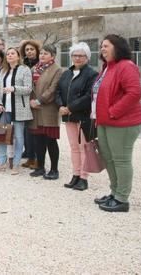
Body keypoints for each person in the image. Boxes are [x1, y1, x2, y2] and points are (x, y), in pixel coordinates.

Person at [93, 34, 141, 212]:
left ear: (117, 47)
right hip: (105, 122)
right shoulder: (107, 67)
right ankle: (114, 193)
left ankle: (122, 199)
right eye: (101, 46)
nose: (102, 49)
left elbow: (134, 93)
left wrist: (113, 112)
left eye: (106, 46)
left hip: (123, 123)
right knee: (108, 159)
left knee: (120, 160)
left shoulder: (126, 66)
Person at [55, 42, 97, 191]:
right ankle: (75, 174)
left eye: (81, 55)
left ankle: (84, 178)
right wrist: (60, 106)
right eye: (75, 55)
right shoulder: (67, 73)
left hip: (82, 116)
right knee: (73, 147)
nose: (77, 58)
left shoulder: (92, 74)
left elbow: (88, 95)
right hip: (68, 116)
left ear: (87, 57)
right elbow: (58, 91)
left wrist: (70, 107)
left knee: (84, 147)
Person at [0, 47, 33, 175]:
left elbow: (28, 89)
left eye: (12, 53)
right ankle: (1, 162)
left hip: (19, 108)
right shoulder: (4, 71)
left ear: (18, 56)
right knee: (0, 135)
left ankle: (16, 164)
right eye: (8, 54)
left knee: (19, 137)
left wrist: (14, 88)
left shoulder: (25, 69)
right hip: (4, 108)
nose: (9, 55)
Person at [29, 44, 62, 179]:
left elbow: (53, 89)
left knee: (50, 141)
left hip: (48, 109)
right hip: (35, 109)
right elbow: (30, 87)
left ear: (52, 56)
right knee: (38, 140)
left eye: (46, 53)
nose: (42, 56)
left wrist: (39, 101)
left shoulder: (57, 70)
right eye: (41, 53)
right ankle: (40, 167)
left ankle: (54, 170)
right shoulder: (33, 69)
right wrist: (31, 101)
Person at [20, 39, 41, 169]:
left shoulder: (41, 64)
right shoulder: (23, 65)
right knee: (27, 130)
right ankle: (30, 156)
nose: (29, 52)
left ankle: (38, 158)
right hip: (25, 100)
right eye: (27, 50)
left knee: (37, 131)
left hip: (36, 100)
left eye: (32, 49)